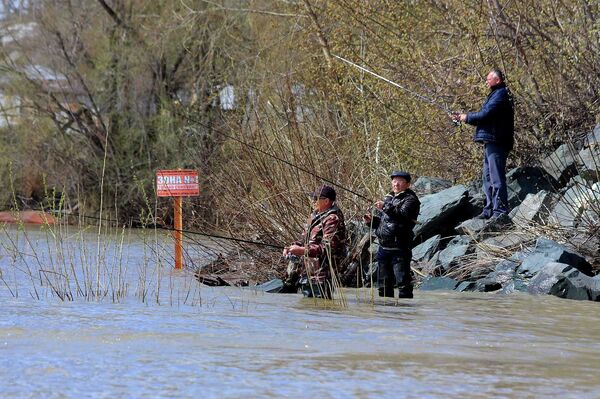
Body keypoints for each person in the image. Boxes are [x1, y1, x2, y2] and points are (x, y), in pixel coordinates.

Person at [454, 69, 515, 221]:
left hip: (498, 142)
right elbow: (484, 118)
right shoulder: (495, 94)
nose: (486, 81)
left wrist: (466, 117)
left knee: (496, 178)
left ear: (498, 80)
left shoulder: (501, 94)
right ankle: (489, 210)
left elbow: (484, 115)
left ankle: (500, 210)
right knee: (487, 178)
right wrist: (464, 118)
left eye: (489, 79)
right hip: (491, 142)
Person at [283, 185, 347, 299]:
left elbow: (327, 248)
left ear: (326, 201)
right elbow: (303, 237)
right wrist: (292, 247)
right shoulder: (313, 216)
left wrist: (303, 251)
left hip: (322, 274)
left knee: (321, 308)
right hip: (307, 271)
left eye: (315, 199)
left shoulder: (333, 219)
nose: (312, 201)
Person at [364, 171, 420, 299]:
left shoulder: (411, 200)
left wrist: (385, 207)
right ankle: (386, 315)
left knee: (403, 283)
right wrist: (372, 221)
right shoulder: (389, 197)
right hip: (383, 248)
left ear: (408, 184)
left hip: (400, 247)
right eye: (394, 181)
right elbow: (386, 223)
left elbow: (402, 216)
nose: (396, 183)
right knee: (383, 285)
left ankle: (405, 313)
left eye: (400, 181)